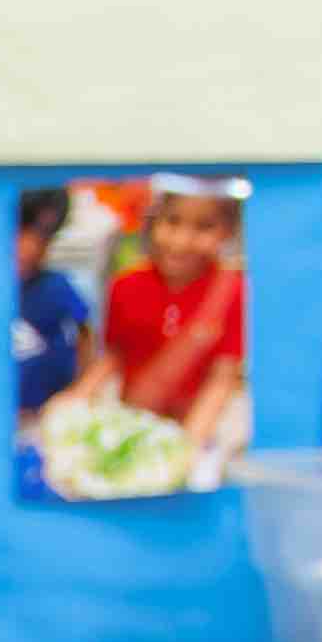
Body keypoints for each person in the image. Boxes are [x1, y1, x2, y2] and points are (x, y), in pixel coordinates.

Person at [81, 175, 250, 457]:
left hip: (204, 434)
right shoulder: (125, 286)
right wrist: (76, 399)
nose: (181, 241)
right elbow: (113, 357)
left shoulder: (235, 291)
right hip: (133, 427)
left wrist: (187, 448)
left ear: (229, 230)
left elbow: (222, 380)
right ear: (153, 221)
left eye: (204, 227)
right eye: (172, 221)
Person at [10, 188, 95, 426]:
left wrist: (78, 392)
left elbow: (86, 335)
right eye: (20, 231)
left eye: (43, 236)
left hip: (46, 420)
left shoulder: (56, 287)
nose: (30, 247)